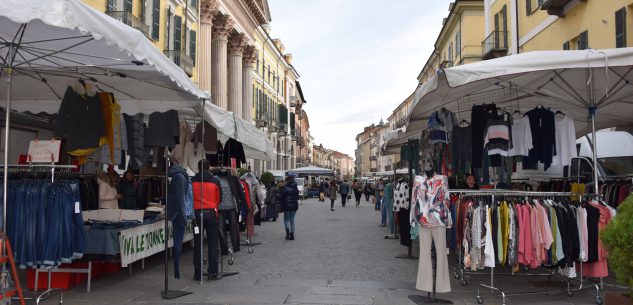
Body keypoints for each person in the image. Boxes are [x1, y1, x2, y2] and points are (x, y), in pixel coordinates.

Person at [191, 159, 222, 281]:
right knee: (213, 244)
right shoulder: (215, 181)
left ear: (198, 168)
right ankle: (212, 272)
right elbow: (219, 199)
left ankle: (198, 273)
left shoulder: (192, 181)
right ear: (209, 167)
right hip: (211, 214)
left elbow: (189, 197)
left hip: (197, 214)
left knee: (198, 244)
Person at [279, 174, 299, 240]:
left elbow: (280, 196)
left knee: (286, 220)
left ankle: (288, 234)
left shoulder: (285, 188)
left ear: (287, 181)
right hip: (294, 206)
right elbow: (297, 197)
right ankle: (292, 235)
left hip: (287, 206)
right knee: (292, 220)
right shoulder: (296, 187)